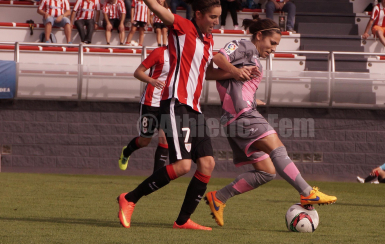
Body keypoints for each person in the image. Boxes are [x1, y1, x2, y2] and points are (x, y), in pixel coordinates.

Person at [117, 0, 239, 231]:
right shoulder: (183, 26)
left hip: (195, 108)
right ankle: (130, 198)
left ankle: (182, 220)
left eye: (219, 17)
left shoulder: (208, 40)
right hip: (176, 104)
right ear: (199, 14)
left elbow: (205, 74)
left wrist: (236, 74)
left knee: (207, 164)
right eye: (213, 17)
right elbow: (157, 9)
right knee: (182, 166)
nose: (217, 22)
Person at [204, 18, 337, 227]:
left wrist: (248, 94)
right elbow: (218, 58)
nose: (273, 49)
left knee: (266, 172)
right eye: (272, 43)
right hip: (242, 115)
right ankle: (306, 192)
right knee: (278, 149)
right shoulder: (244, 45)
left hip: (239, 115)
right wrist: (237, 73)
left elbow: (214, 75)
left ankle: (219, 197)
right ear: (259, 36)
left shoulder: (252, 56)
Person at [118, 46, 170, 172]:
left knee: (165, 139)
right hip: (150, 102)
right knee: (144, 141)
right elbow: (138, 72)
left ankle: (155, 178)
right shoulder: (160, 52)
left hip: (167, 103)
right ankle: (126, 151)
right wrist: (151, 80)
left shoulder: (183, 55)